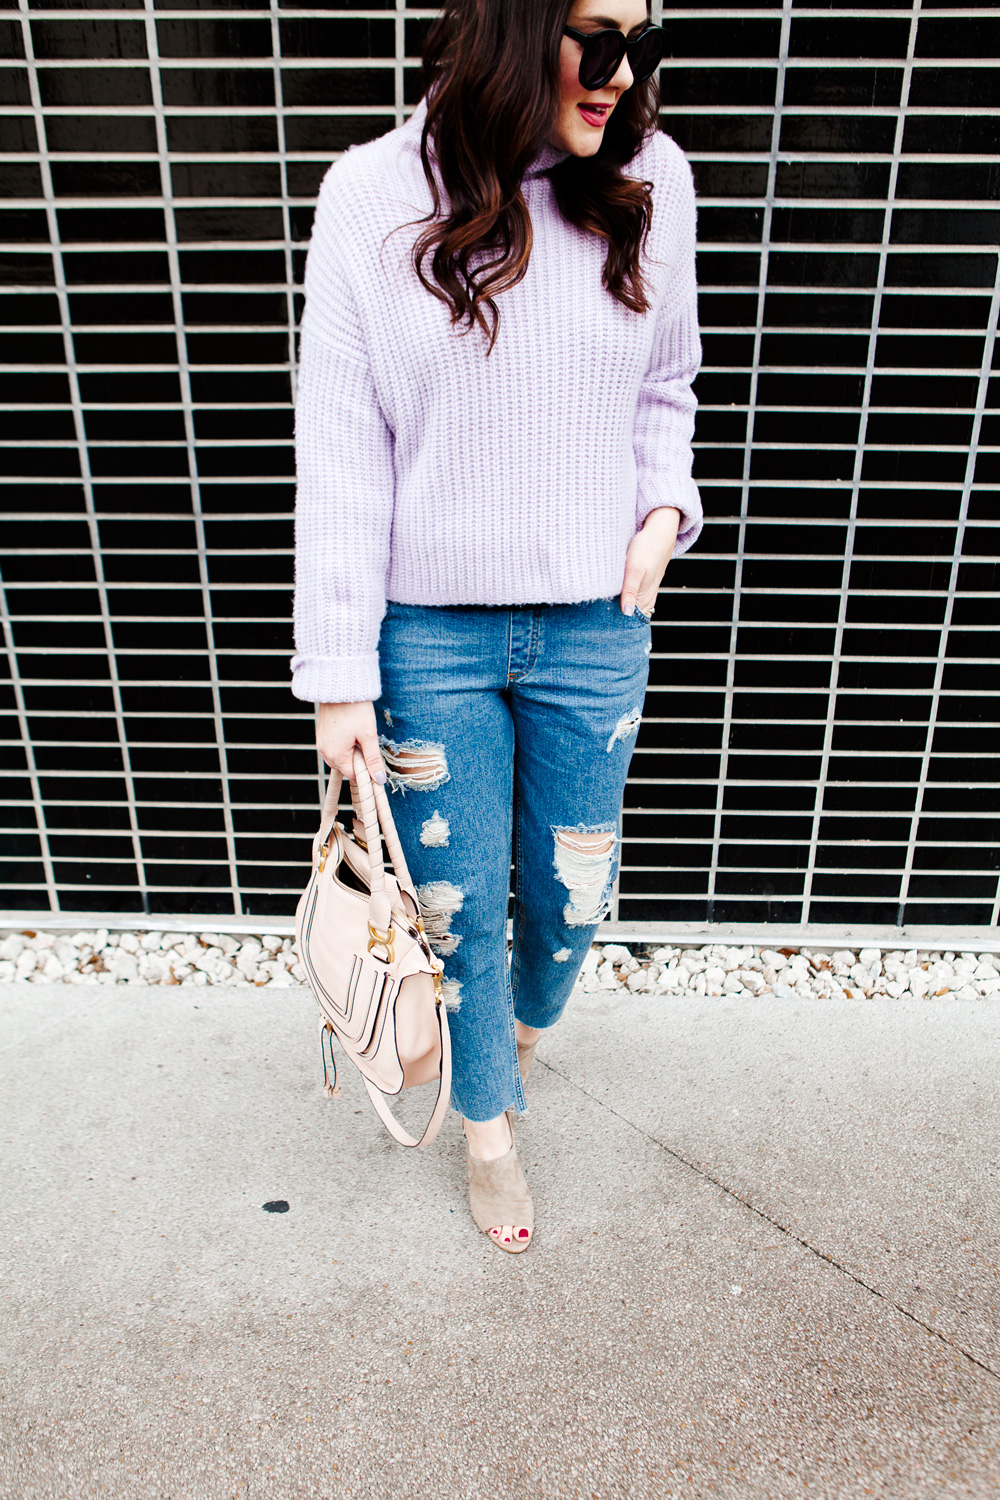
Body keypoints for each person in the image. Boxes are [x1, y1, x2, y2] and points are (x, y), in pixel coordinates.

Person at [291, 0, 703, 1253]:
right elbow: (343, 448)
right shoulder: (368, 196)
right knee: (458, 911)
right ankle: (486, 1125)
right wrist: (340, 679)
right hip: (430, 637)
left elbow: (666, 383)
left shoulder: (647, 175)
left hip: (593, 623)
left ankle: (517, 1030)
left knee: (570, 904)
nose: (621, 72)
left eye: (643, 39)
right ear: (513, 27)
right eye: (595, 34)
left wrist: (662, 512)